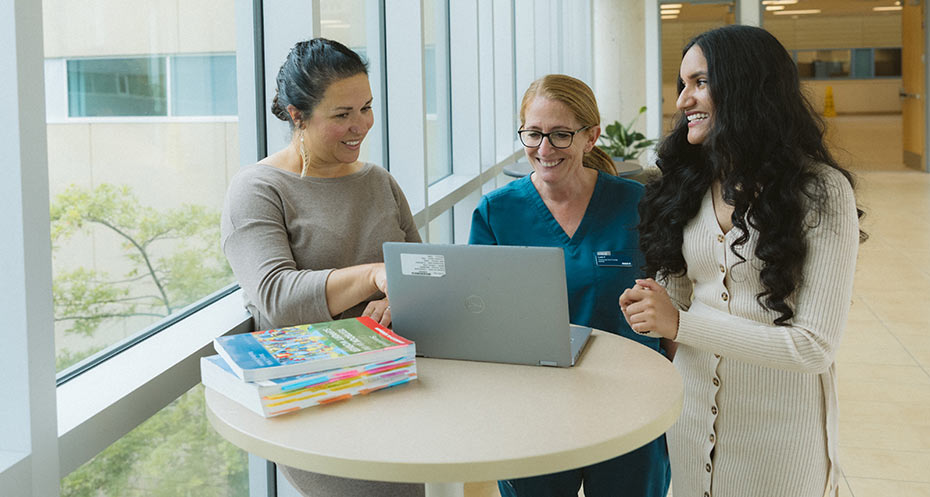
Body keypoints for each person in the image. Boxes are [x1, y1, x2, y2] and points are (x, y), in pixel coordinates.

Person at [619, 25, 864, 497]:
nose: (682, 101)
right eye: (682, 85)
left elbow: (814, 347)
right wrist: (653, 308)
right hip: (690, 426)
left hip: (779, 438)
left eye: (700, 83)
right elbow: (676, 306)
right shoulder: (686, 183)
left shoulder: (821, 191)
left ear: (748, 86)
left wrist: (680, 324)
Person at [220, 37, 423, 497]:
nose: (361, 126)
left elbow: (419, 268)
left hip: (399, 383)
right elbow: (276, 296)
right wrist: (373, 276)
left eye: (366, 108)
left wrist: (397, 293)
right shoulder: (257, 189)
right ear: (297, 114)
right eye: (342, 115)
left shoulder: (379, 181)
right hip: (318, 402)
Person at [468, 74, 670, 497]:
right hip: (535, 409)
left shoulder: (637, 204)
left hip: (628, 401)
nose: (544, 150)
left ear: (591, 137)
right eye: (534, 134)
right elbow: (478, 315)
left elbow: (672, 302)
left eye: (561, 135)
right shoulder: (496, 213)